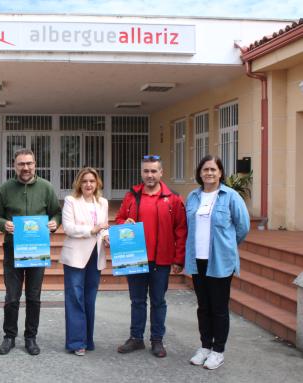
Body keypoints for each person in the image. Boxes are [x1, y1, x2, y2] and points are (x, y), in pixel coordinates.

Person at [115, 155, 187, 358]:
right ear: (141, 173)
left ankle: (157, 340)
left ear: (161, 173)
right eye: (146, 171)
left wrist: (178, 259)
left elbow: (181, 230)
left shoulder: (173, 198)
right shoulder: (132, 196)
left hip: (161, 260)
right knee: (137, 300)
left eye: (154, 171)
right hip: (135, 258)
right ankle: (136, 338)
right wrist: (123, 224)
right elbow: (119, 219)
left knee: (158, 301)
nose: (150, 175)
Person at [0, 148, 62, 356]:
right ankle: (9, 337)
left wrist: (54, 223)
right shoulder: (5, 189)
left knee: (33, 296)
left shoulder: (46, 188)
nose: (25, 168)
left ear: (35, 164)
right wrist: (3, 224)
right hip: (12, 248)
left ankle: (30, 337)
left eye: (29, 163)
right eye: (21, 164)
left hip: (37, 250)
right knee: (12, 296)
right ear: (14, 166)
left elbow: (56, 212)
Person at [185, 155, 249, 370]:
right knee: (203, 307)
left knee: (219, 308)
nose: (209, 173)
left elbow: (243, 227)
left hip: (220, 262)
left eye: (213, 169)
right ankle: (205, 346)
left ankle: (218, 351)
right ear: (200, 173)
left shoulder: (230, 196)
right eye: (205, 169)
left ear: (220, 173)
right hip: (198, 260)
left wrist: (227, 247)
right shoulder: (193, 197)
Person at [60, 168, 109, 356]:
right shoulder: (71, 201)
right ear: (79, 184)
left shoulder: (103, 203)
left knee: (89, 299)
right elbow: (69, 228)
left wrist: (106, 236)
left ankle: (88, 340)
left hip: (95, 256)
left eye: (92, 181)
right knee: (75, 299)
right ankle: (76, 342)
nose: (89, 184)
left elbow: (104, 228)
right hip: (75, 256)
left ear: (97, 184)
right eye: (85, 181)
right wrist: (93, 229)